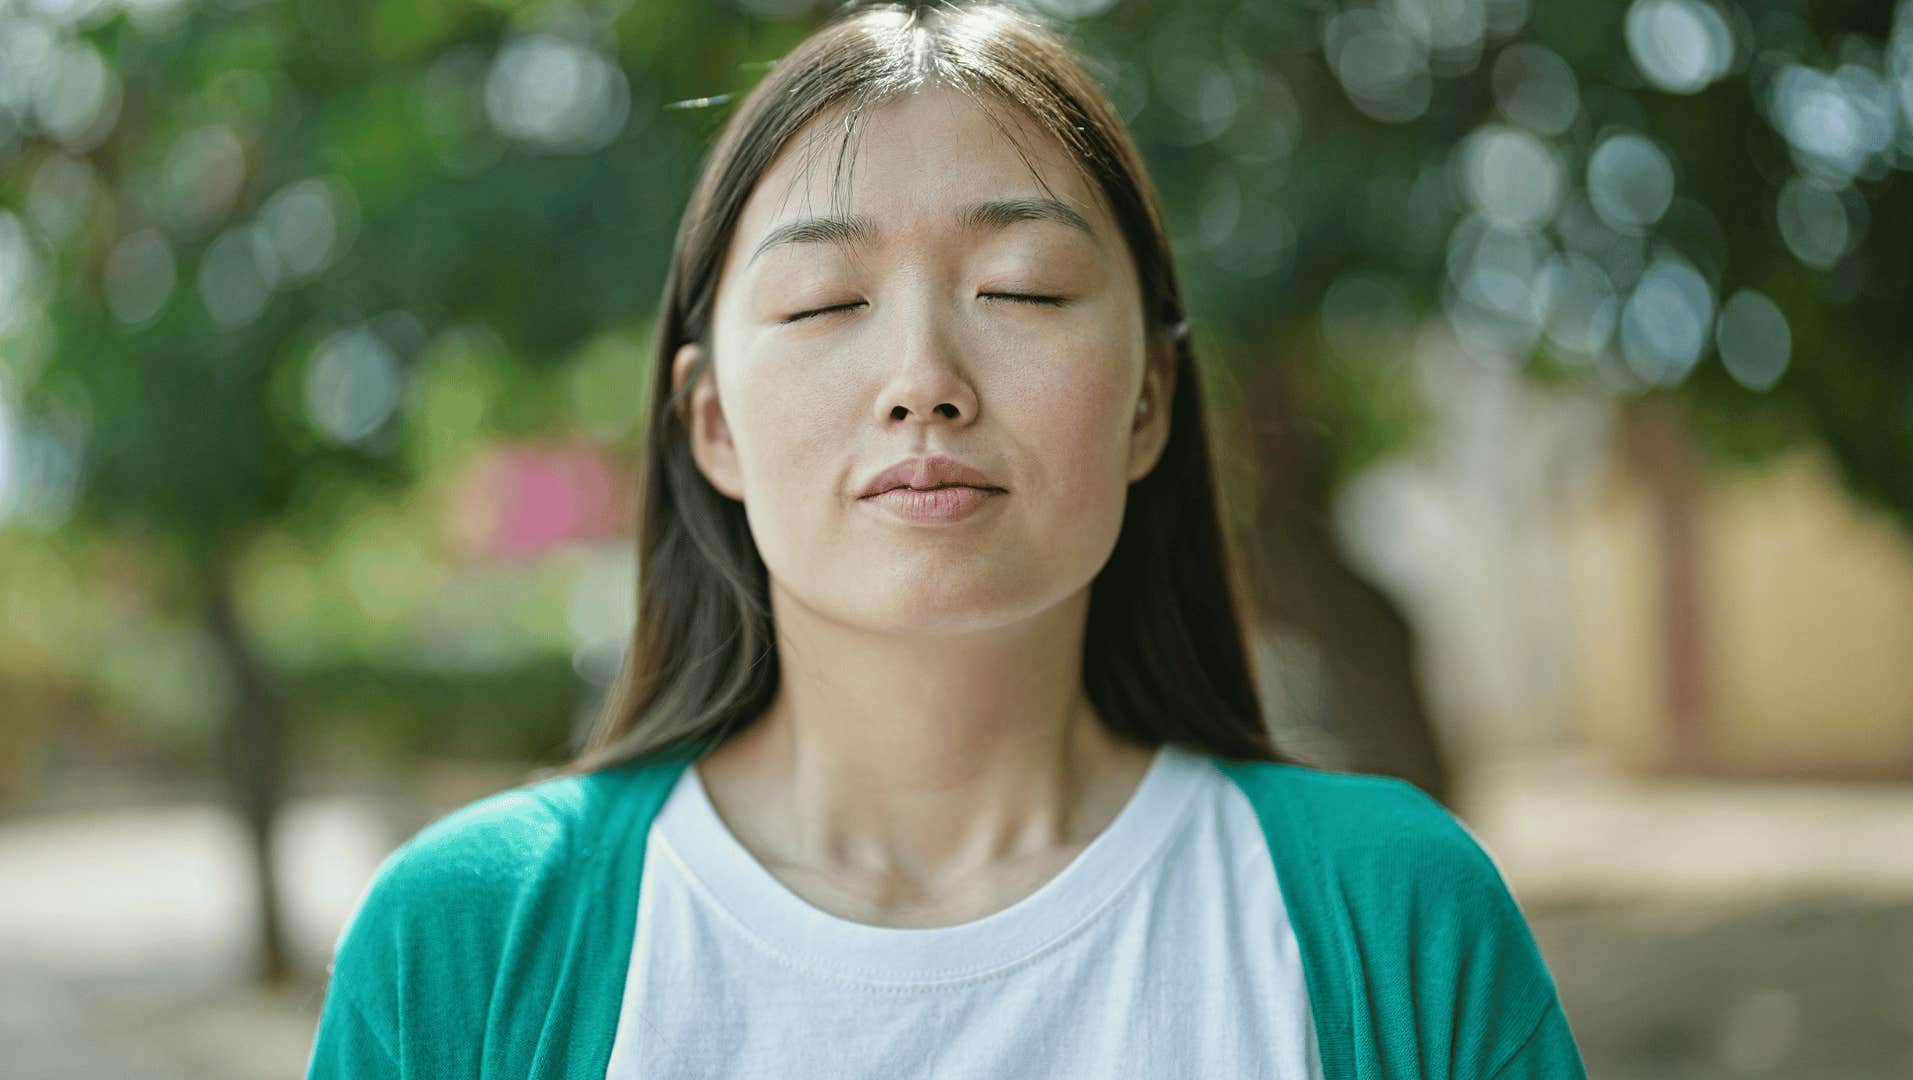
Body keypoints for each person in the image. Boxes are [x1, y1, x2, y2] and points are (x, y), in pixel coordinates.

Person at [306, 2, 1588, 1077]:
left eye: (1021, 288)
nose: (924, 379)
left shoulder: (1394, 919)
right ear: (712, 426)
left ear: (1148, 399)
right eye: (825, 302)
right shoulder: (469, 946)